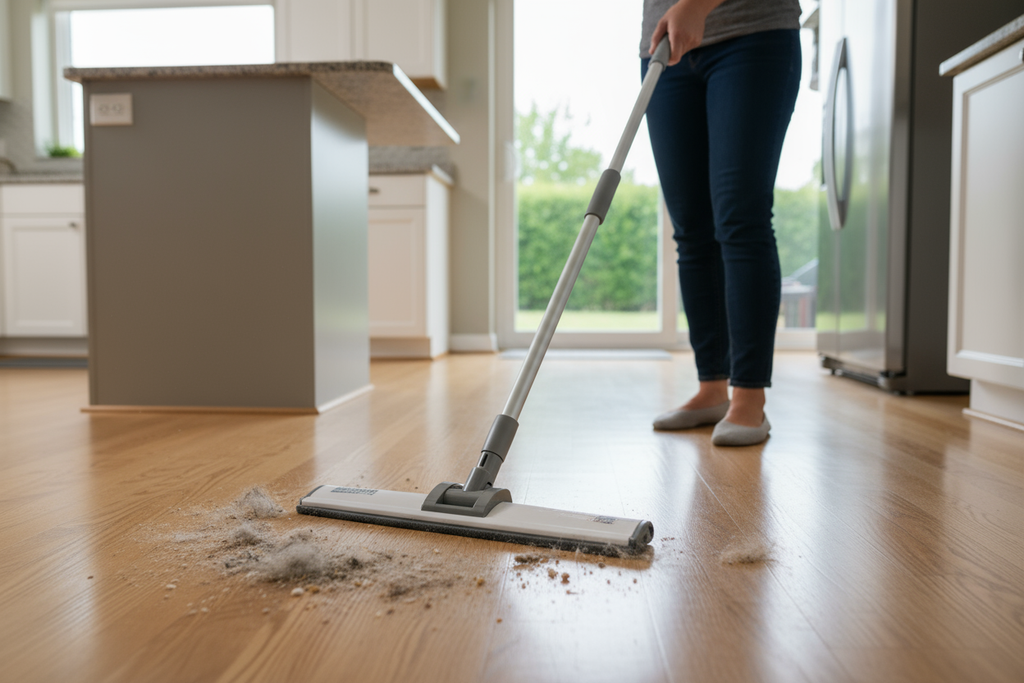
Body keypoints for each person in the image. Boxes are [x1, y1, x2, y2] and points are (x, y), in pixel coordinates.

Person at [643, 0, 802, 446]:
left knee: (740, 218)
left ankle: (749, 396)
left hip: (752, 33)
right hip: (664, 48)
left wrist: (696, 5)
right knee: (691, 228)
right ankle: (711, 386)